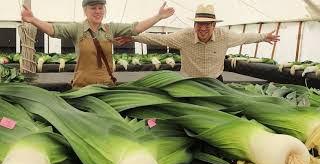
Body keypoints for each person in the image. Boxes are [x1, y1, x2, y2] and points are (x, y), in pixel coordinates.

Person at [21, 0, 175, 87]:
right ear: (85, 10)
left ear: (104, 10)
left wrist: (158, 17)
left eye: (100, 8)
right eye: (93, 8)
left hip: (106, 87)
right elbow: (53, 30)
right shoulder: (77, 29)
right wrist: (33, 19)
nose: (97, 11)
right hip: (81, 88)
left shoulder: (111, 29)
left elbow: (135, 28)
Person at [128, 4, 280, 81]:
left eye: (207, 24)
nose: (203, 28)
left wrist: (263, 36)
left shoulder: (224, 36)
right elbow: (158, 39)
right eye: (199, 24)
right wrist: (132, 36)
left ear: (214, 26)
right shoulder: (184, 36)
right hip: (189, 82)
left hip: (215, 81)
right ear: (194, 25)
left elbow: (245, 38)